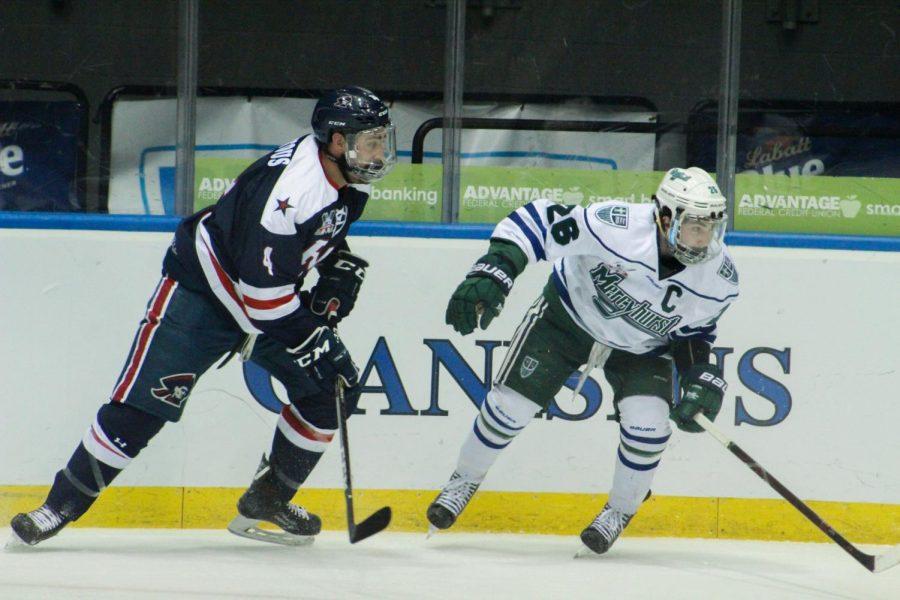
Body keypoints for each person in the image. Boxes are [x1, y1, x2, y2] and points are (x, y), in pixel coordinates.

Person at [9, 86, 397, 547]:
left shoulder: (331, 175)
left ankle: (268, 499)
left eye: (380, 140)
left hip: (261, 299)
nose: (379, 152)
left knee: (329, 394)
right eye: (370, 141)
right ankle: (58, 507)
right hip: (202, 296)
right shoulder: (293, 189)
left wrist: (334, 265)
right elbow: (265, 299)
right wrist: (312, 336)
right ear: (337, 141)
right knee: (141, 409)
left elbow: (304, 240)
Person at [427, 167, 738, 555]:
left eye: (712, 226)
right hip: (566, 320)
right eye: (694, 225)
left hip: (642, 349)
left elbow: (693, 335)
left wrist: (699, 374)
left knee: (649, 428)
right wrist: (497, 269)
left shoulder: (720, 277)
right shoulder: (616, 225)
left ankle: (620, 509)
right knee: (509, 407)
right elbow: (538, 220)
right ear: (665, 216)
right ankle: (464, 479)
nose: (704, 238)